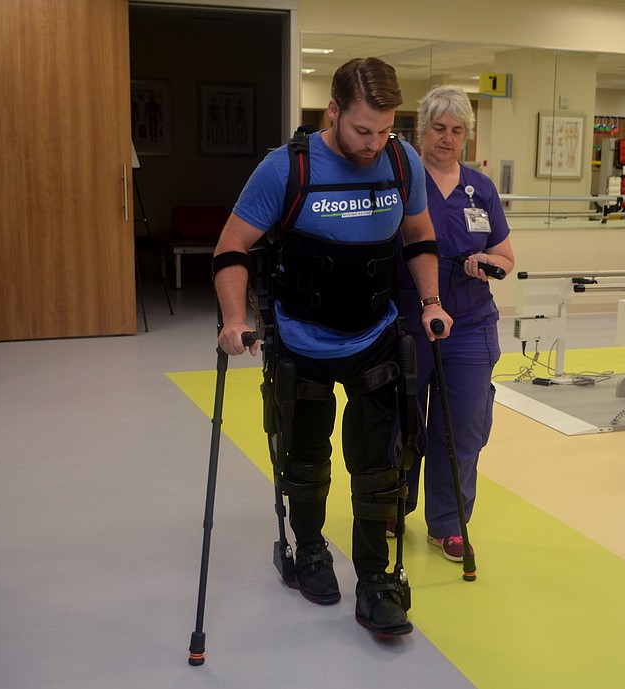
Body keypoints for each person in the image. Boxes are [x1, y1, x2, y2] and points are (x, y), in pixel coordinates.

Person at [212, 57, 452, 637]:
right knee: (305, 462)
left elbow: (420, 235)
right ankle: (311, 550)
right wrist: (234, 317)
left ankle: (374, 581)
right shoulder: (285, 169)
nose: (373, 144)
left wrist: (431, 303)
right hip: (302, 340)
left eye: (384, 130)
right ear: (334, 112)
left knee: (378, 469)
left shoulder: (401, 160)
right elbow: (231, 247)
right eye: (361, 131)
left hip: (375, 337)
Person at [394, 85, 514, 562]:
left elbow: (506, 256)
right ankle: (393, 506)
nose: (447, 138)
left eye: (457, 130)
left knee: (461, 426)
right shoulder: (401, 179)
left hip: (469, 325)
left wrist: (487, 260)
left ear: (468, 134)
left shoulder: (479, 188)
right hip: (407, 322)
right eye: (439, 128)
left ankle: (448, 522)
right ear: (422, 129)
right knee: (400, 424)